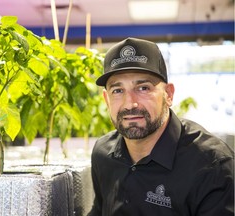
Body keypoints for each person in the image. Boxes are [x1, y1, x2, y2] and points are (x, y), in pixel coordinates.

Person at [87, 37, 234, 216]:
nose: (130, 104)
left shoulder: (212, 165)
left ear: (168, 94)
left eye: (143, 88)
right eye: (118, 91)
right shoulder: (103, 153)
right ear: (106, 100)